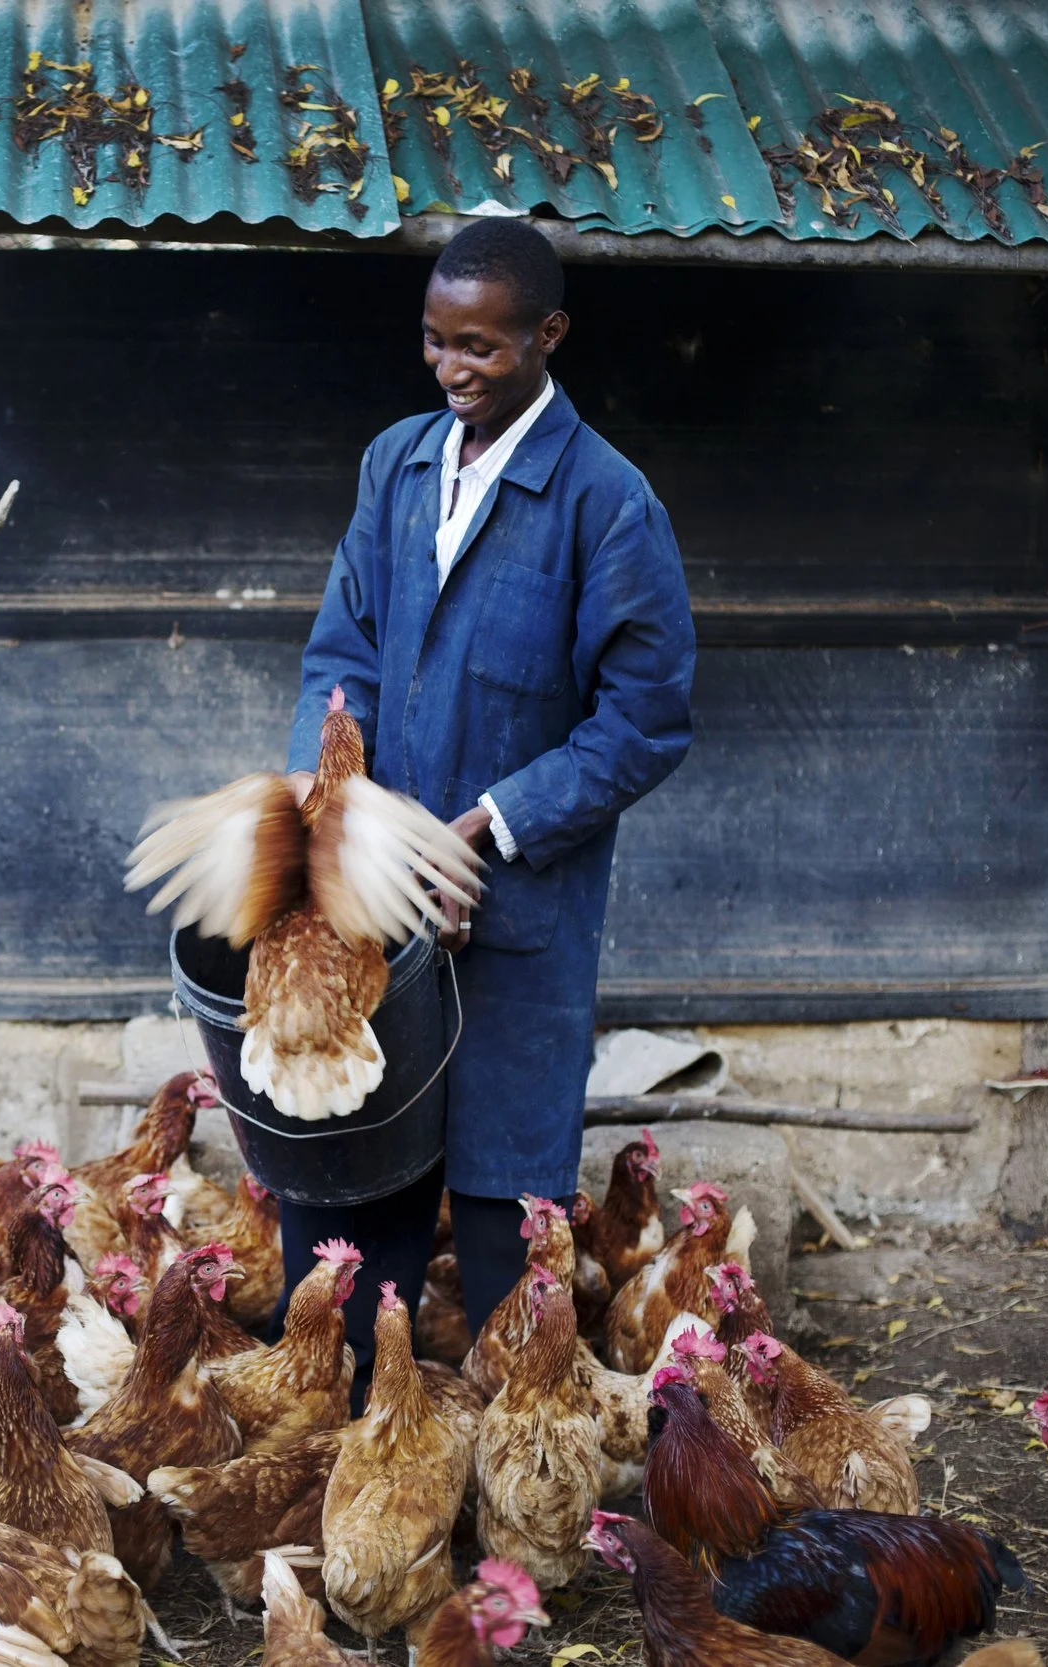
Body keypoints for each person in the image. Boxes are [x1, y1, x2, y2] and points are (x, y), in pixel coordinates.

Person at [279, 217, 695, 1400]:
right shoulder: (394, 465)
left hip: (518, 919)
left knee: (510, 1215)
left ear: (546, 335)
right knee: (359, 1190)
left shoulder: (607, 504)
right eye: (432, 341)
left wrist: (485, 827)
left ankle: (512, 1491)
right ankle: (358, 1458)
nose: (451, 368)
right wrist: (347, 810)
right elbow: (337, 653)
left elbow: (644, 719)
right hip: (381, 909)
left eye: (481, 347)